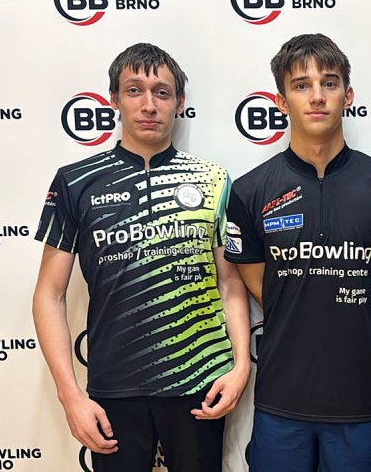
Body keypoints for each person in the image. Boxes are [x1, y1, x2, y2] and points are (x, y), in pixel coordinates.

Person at [32, 42, 250, 472]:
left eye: (162, 93)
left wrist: (241, 365)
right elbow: (49, 294)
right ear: (114, 99)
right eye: (134, 90)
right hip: (114, 389)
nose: (149, 105)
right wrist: (70, 395)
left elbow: (231, 284)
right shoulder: (76, 182)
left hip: (200, 382)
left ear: (179, 102)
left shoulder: (214, 179)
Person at [220, 33, 371, 472]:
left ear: (347, 95)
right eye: (301, 85)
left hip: (361, 398)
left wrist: (348, 315)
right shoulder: (249, 190)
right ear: (282, 101)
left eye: (329, 83)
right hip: (282, 399)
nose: (317, 96)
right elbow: (258, 280)